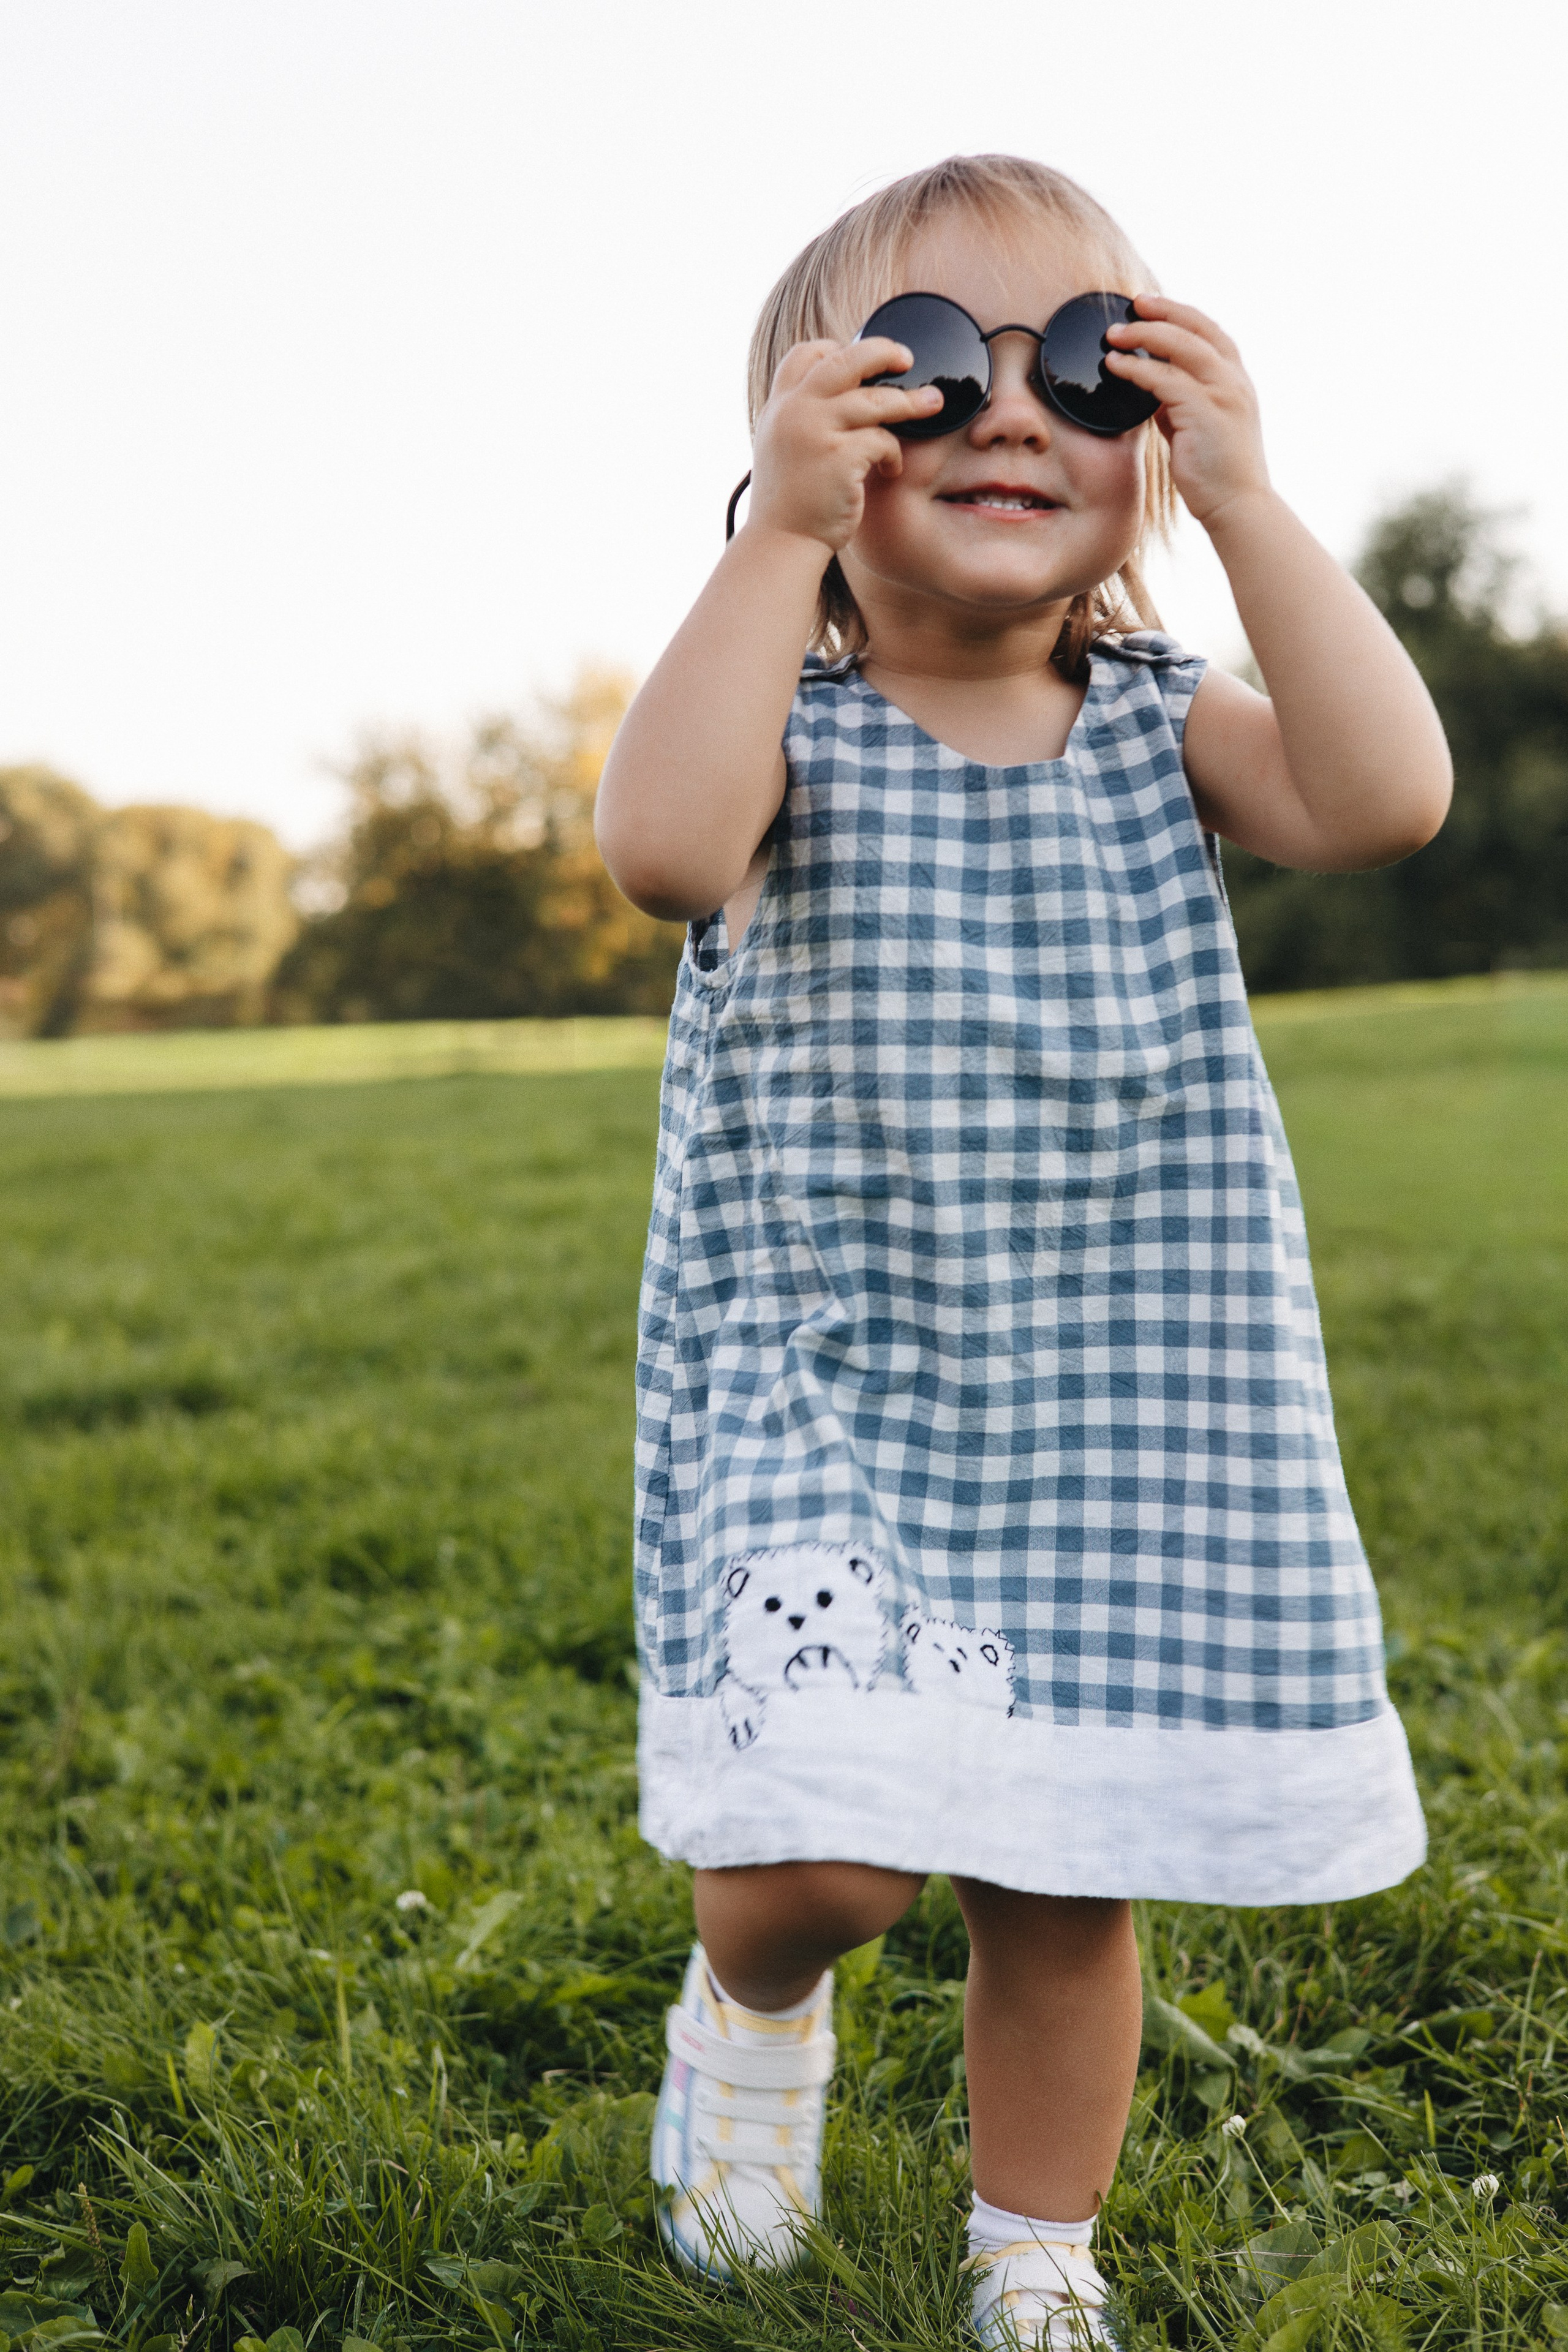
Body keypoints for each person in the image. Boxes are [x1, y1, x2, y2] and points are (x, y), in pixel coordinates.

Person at [595, 153, 1449, 2348]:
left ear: (1146, 435)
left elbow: (1386, 801)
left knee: (1064, 1867)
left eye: (1081, 365)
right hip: (835, 1376)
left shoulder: (1169, 729)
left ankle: (1035, 2249)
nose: (1006, 414)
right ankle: (753, 2008)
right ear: (812, 435)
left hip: (1120, 1394)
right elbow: (662, 852)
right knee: (829, 1861)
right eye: (917, 375)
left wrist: (1255, 509)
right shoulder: (784, 728)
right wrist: (775, 543)